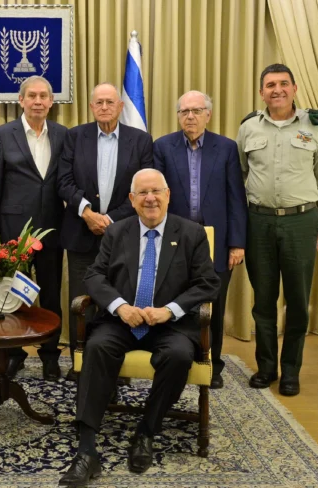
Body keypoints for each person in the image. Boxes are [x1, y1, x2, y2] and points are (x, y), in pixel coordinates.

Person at [59, 168, 220, 485]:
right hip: (122, 321)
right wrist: (120, 307)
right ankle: (87, 450)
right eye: (143, 193)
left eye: (156, 191)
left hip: (169, 326)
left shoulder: (191, 233)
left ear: (168, 195)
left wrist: (169, 311)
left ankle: (147, 430)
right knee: (97, 347)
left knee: (178, 356)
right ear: (132, 200)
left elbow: (208, 284)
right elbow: (94, 276)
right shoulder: (117, 233)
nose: (150, 199)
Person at [236, 63, 318, 397]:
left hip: (301, 221)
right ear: (261, 92)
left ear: (294, 88)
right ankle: (266, 368)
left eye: (282, 84)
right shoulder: (249, 127)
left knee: (297, 301)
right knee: (263, 301)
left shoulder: (315, 125)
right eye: (269, 85)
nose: (276, 90)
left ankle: (291, 371)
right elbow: (239, 176)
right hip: (258, 222)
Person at [57, 82, 153, 380]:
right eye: (98, 102)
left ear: (121, 106)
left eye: (110, 102)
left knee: (119, 300)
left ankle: (116, 361)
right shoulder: (75, 136)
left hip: (123, 236)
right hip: (80, 233)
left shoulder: (140, 140)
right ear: (91, 106)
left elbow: (143, 190)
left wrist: (109, 220)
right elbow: (64, 181)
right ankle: (80, 362)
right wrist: (87, 213)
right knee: (81, 301)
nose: (104, 107)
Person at [153, 90, 247, 389]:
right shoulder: (163, 147)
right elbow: (156, 198)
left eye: (196, 110)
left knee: (213, 306)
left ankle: (212, 364)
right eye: (184, 111)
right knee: (175, 300)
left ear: (208, 114)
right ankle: (176, 360)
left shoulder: (227, 148)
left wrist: (236, 242)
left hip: (216, 241)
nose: (190, 116)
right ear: (178, 115)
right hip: (175, 240)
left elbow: (236, 198)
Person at [0, 75, 68, 381]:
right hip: (11, 231)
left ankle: (49, 354)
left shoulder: (62, 134)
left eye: (43, 96)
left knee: (50, 295)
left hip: (52, 228)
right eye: (31, 95)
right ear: (21, 100)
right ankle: (14, 352)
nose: (37, 101)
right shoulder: (2, 134)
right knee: (13, 295)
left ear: (51, 102)